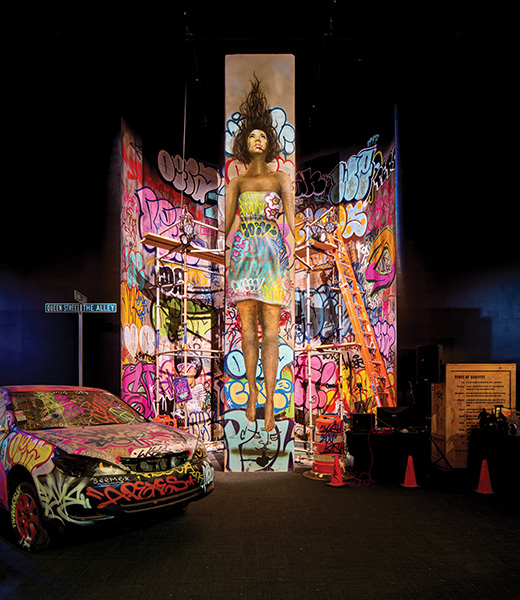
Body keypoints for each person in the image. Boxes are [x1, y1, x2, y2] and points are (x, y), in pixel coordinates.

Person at [225, 76, 294, 432]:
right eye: (252, 135)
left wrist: (292, 262)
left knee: (271, 333)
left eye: (263, 136)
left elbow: (292, 227)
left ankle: (268, 401)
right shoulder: (236, 184)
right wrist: (226, 260)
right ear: (244, 142)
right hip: (242, 256)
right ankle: (251, 393)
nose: (257, 139)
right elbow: (229, 227)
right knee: (247, 332)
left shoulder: (281, 181)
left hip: (270, 255)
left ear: (270, 144)